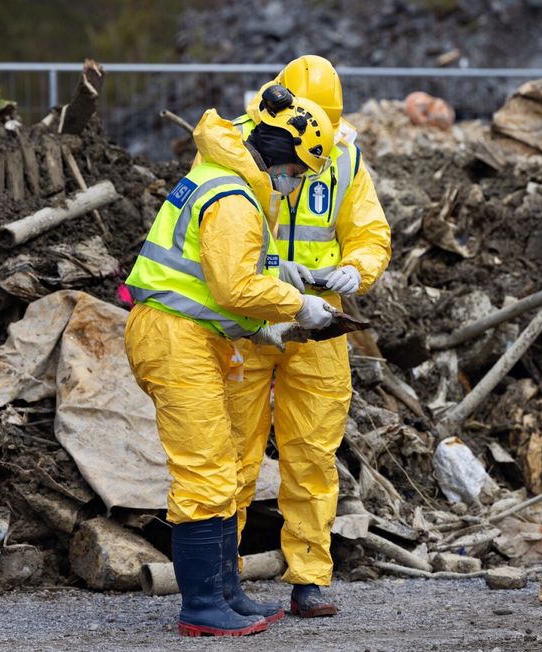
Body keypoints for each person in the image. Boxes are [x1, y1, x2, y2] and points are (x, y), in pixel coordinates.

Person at [124, 86, 337, 636]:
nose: (293, 182)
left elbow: (216, 290)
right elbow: (234, 285)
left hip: (190, 335)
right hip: (177, 338)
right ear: (281, 157)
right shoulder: (235, 198)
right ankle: (201, 605)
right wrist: (298, 305)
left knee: (218, 462)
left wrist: (265, 328)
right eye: (295, 170)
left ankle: (224, 591)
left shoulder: (224, 180)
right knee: (204, 468)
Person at [222, 55, 391, 617]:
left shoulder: (344, 155)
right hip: (252, 316)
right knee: (234, 449)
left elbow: (370, 233)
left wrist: (357, 269)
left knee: (312, 452)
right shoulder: (243, 148)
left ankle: (309, 578)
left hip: (320, 321)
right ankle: (224, 575)